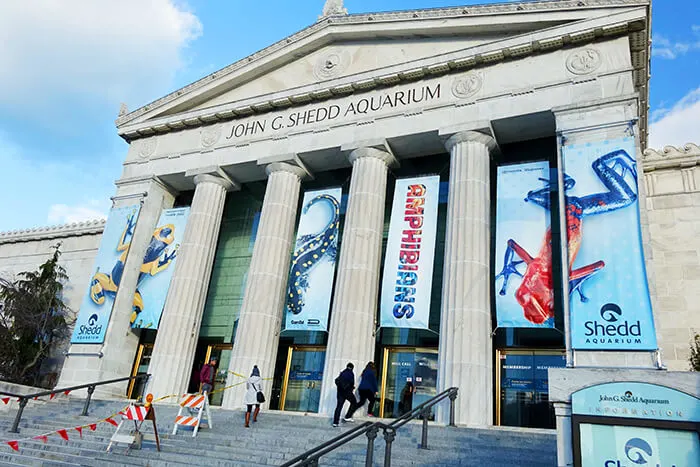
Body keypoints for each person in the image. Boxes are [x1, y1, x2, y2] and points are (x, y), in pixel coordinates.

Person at [332, 362, 358, 427]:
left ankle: (335, 422)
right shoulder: (351, 373)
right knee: (354, 402)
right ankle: (348, 416)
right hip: (347, 392)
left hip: (340, 393)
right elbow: (352, 383)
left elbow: (338, 382)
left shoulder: (342, 373)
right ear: (352, 368)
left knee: (339, 407)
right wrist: (352, 388)